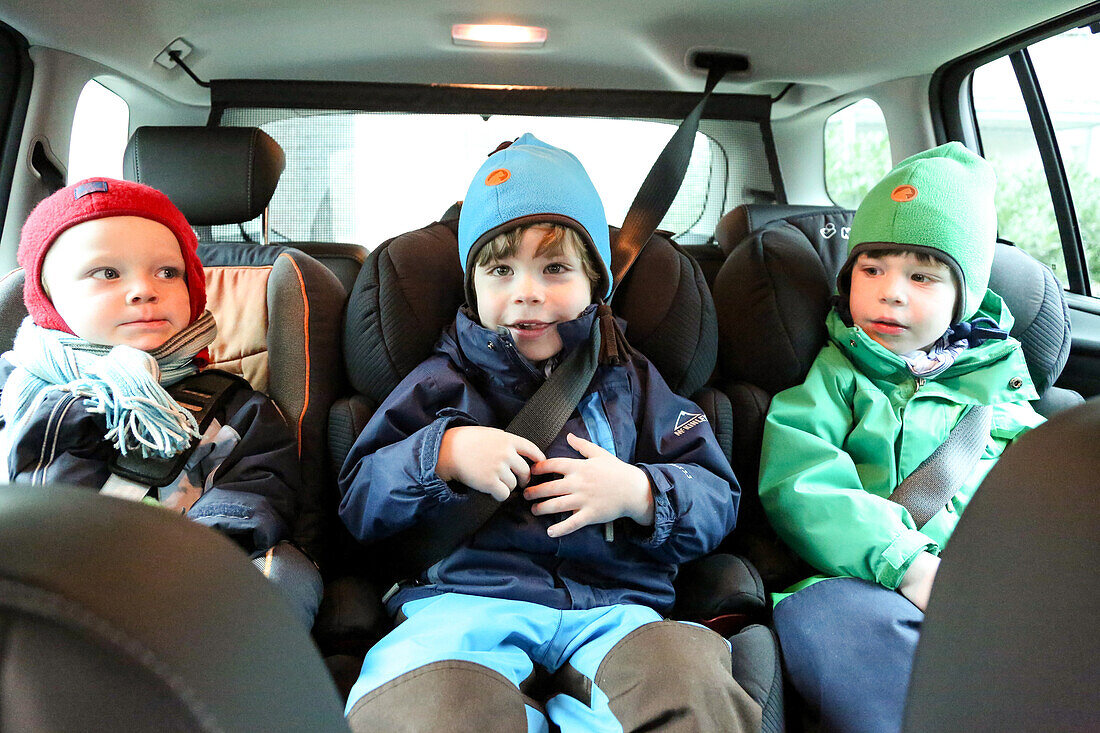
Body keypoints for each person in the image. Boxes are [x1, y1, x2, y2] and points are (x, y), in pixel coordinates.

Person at [338, 134, 758, 731]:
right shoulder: (438, 382)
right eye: (500, 270)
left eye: (555, 268)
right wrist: (444, 454)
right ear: (473, 287)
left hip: (617, 611)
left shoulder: (634, 380)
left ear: (596, 283)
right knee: (428, 707)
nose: (526, 291)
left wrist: (641, 494)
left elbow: (716, 494)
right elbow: (359, 500)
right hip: (462, 607)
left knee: (685, 681)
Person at [758, 142, 1046, 732]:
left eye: (923, 276)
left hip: (986, 585)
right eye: (872, 269)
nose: (892, 292)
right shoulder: (835, 378)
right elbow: (802, 483)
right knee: (827, 621)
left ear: (964, 297)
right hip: (863, 578)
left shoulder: (1002, 393)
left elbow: (1050, 488)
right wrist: (908, 566)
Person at [0, 177, 322, 628]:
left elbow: (255, 494)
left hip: (182, 577)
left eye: (167, 272)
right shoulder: (13, 390)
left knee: (283, 573)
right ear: (48, 296)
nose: (144, 290)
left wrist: (174, 559)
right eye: (108, 273)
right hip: (40, 579)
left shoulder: (235, 408)